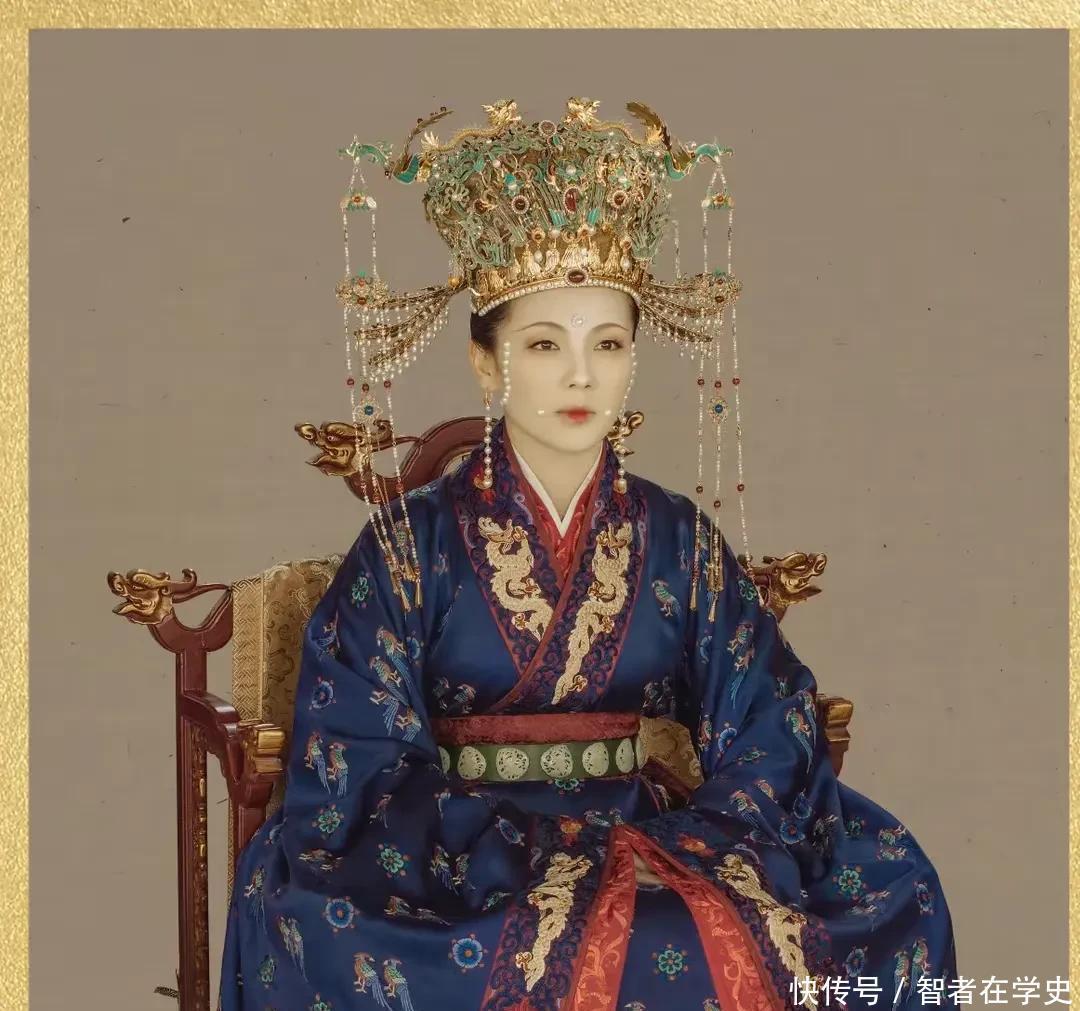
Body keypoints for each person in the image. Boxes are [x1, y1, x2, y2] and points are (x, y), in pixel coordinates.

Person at [219, 97, 959, 1011]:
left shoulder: (675, 537)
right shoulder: (410, 545)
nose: (581, 374)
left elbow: (769, 714)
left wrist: (704, 837)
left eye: (608, 344)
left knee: (894, 887)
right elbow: (360, 759)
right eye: (544, 344)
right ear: (486, 362)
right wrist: (512, 848)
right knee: (364, 930)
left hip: (646, 833)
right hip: (456, 857)